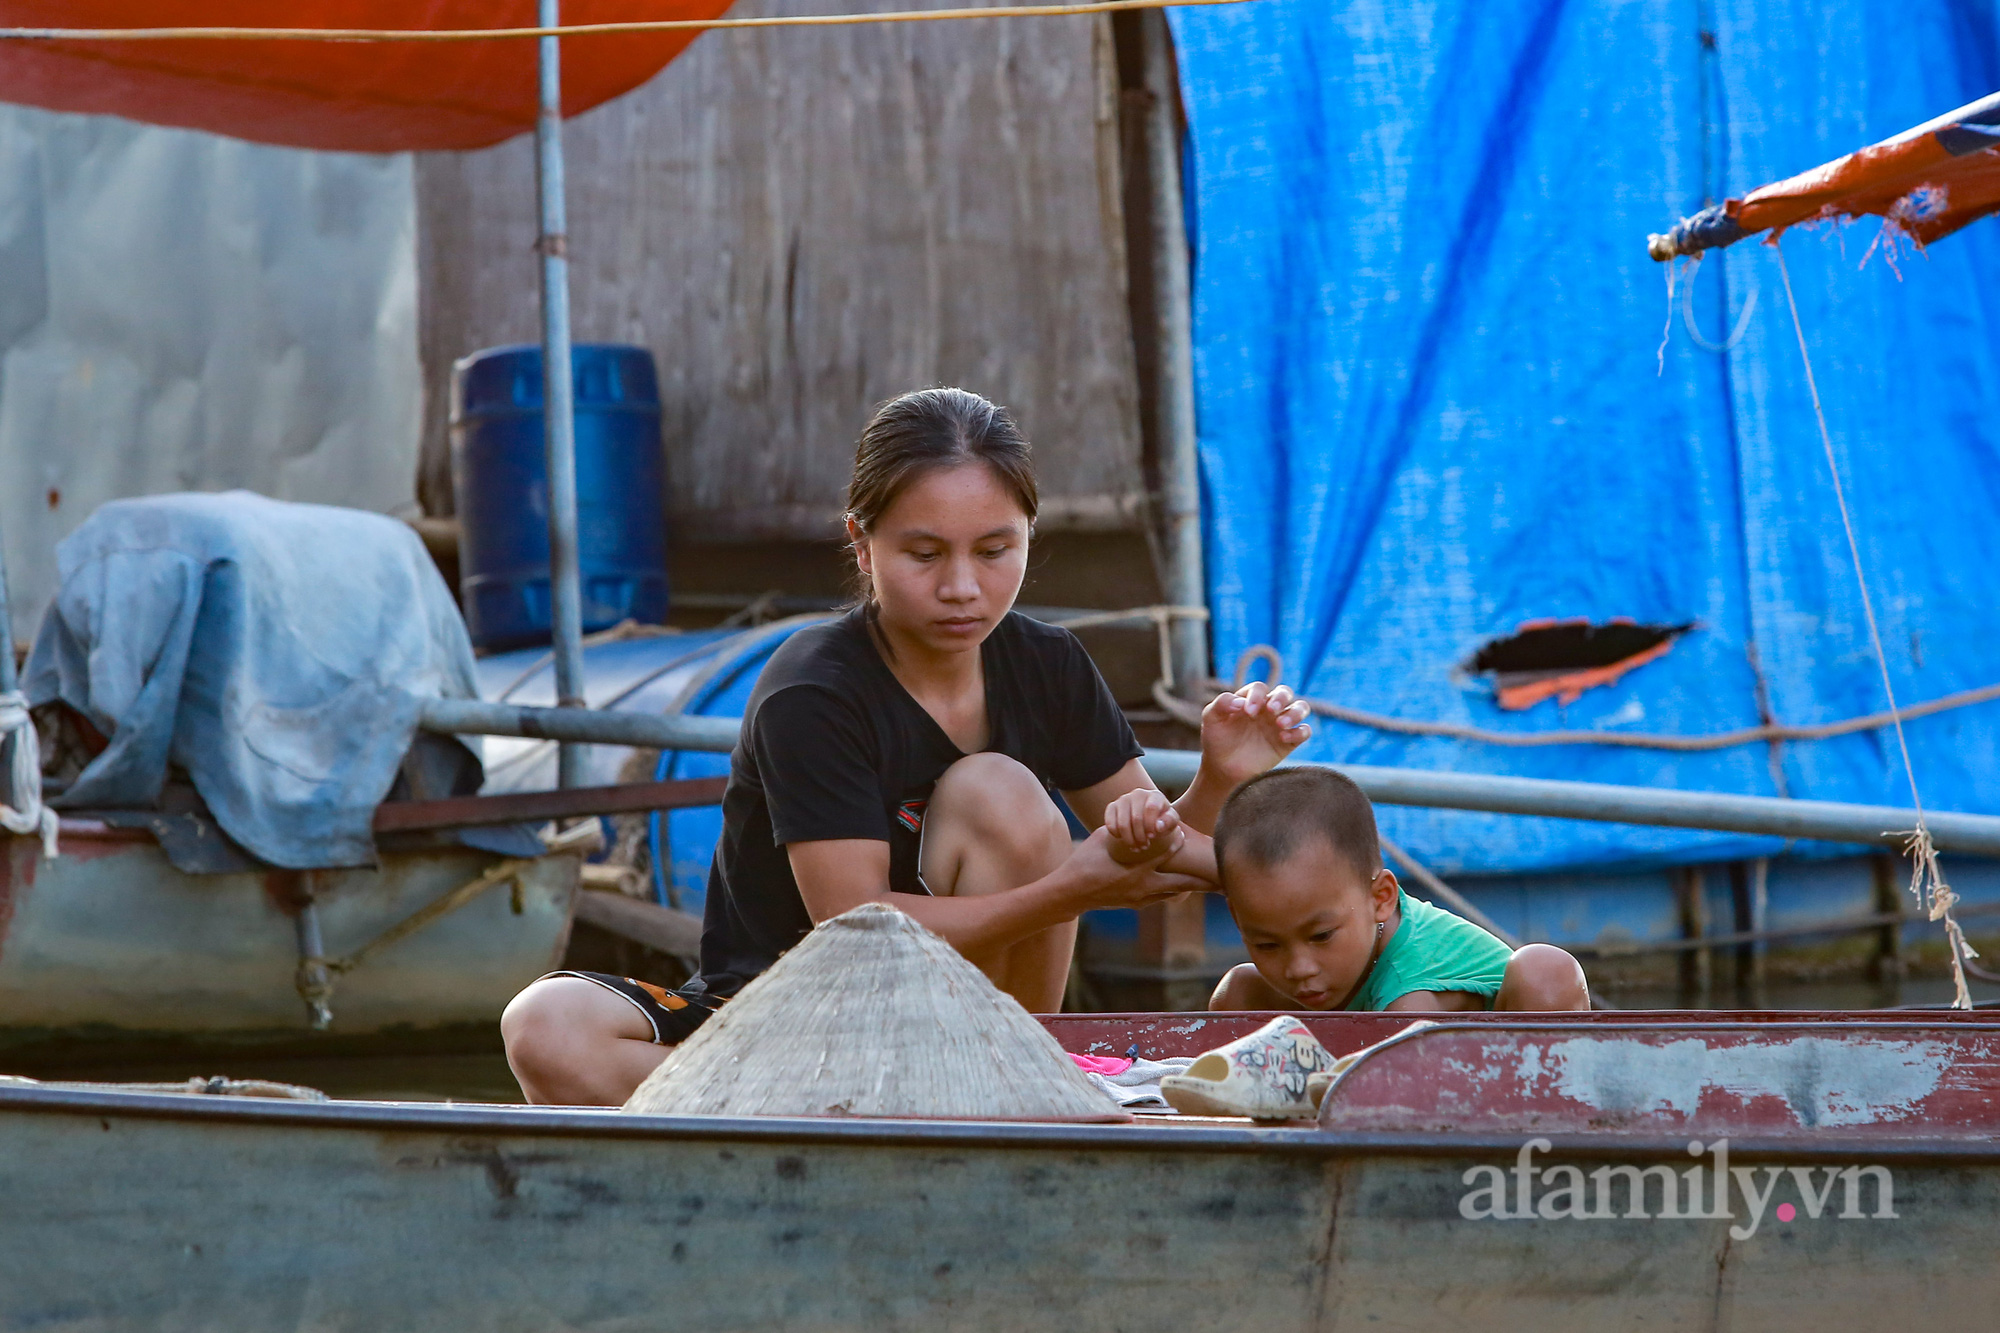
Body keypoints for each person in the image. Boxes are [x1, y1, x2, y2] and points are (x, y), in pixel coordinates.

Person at [502, 387, 1310, 1104]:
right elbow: (856, 921)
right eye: (925, 554)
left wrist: (1218, 778)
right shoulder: (812, 689)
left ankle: (998, 1076)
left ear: (1029, 533)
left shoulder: (1048, 663)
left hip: (985, 1034)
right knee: (545, 1023)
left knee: (1001, 790)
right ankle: (851, 1101)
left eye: (995, 551)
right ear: (862, 543)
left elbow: (1154, 857)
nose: (963, 586)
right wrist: (1073, 887)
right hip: (780, 1020)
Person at [1171, 766, 1589, 1013]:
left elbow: (1400, 1088)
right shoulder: (1338, 949)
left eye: (1321, 936)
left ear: (1381, 899)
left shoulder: (1408, 997)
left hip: (1496, 1063)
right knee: (1239, 991)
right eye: (1267, 945)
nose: (1299, 968)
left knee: (1542, 970)